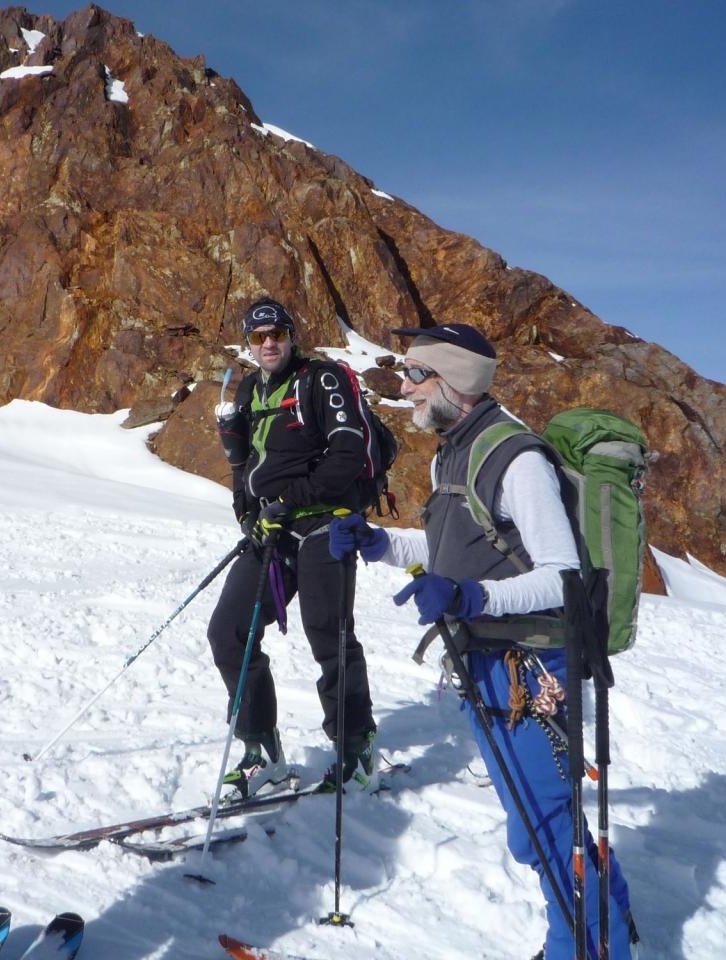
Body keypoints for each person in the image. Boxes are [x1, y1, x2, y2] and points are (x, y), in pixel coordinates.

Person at [328, 323, 636, 960]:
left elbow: (561, 575)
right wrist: (380, 543)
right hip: (484, 662)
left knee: (549, 828)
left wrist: (472, 598)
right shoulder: (451, 451)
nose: (405, 386)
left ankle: (582, 949)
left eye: (416, 375)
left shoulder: (515, 459)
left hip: (532, 670)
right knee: (534, 830)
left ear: (455, 382)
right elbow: (449, 551)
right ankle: (603, 928)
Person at [209, 298, 378, 799]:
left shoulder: (321, 379)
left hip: (326, 521)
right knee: (229, 632)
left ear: (291, 334)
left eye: (276, 333)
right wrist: (247, 513)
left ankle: (356, 747)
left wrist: (291, 498)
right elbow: (243, 465)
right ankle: (262, 751)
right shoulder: (247, 390)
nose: (268, 343)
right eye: (258, 337)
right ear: (248, 342)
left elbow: (350, 452)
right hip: (271, 529)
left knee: (328, 631)